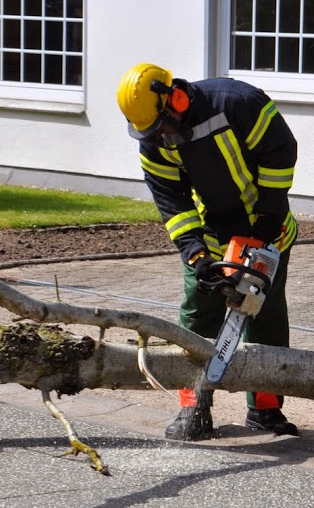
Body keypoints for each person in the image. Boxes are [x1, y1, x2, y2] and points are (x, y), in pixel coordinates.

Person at [117, 63, 299, 441]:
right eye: (151, 131)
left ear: (176, 99)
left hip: (268, 228)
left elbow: (281, 152)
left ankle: (265, 409)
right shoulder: (154, 141)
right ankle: (193, 407)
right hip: (213, 238)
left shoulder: (238, 103)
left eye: (161, 126)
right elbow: (172, 200)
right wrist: (195, 253)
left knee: (265, 319)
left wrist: (267, 221)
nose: (160, 135)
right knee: (198, 317)